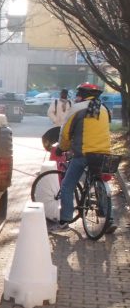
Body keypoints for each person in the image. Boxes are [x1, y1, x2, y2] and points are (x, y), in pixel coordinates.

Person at [51, 83, 117, 233]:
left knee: (67, 186)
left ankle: (64, 221)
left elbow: (66, 133)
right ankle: (109, 218)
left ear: (84, 94)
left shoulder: (77, 108)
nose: (77, 97)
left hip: (83, 154)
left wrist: (62, 148)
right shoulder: (104, 109)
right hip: (103, 153)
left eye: (79, 94)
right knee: (100, 182)